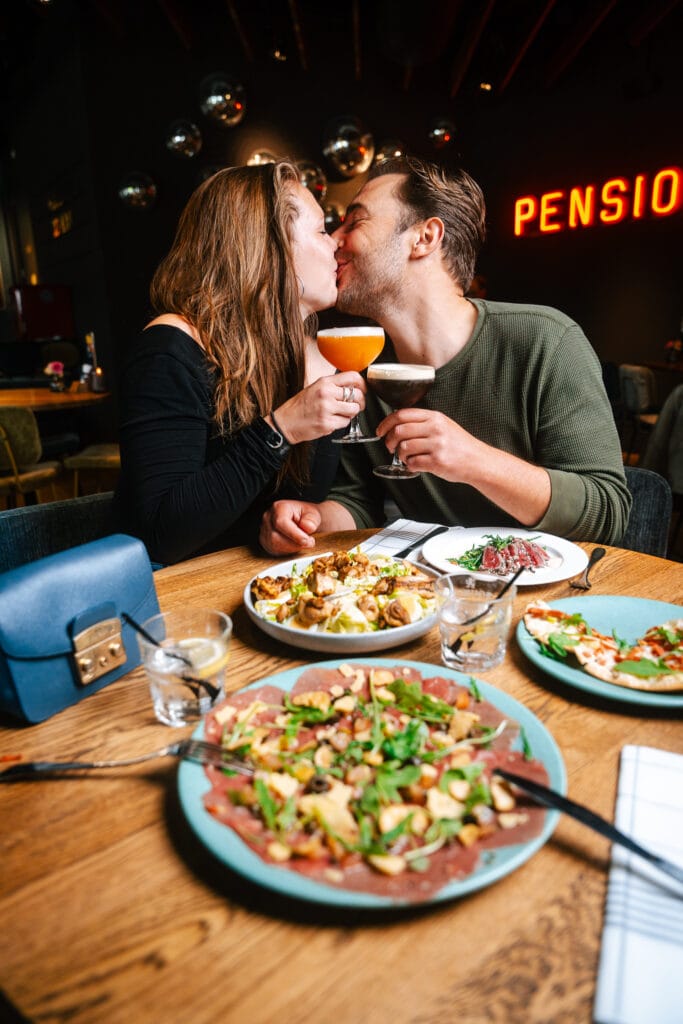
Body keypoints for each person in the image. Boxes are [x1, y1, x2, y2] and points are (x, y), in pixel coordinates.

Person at [259, 155, 631, 555]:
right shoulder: (364, 366)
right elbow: (358, 502)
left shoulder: (545, 339)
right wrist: (311, 518)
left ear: (425, 238)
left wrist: (472, 460)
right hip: (434, 593)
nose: (334, 239)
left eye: (356, 221)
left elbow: (608, 511)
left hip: (547, 597)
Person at [113, 161, 366, 564]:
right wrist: (281, 429)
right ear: (270, 247)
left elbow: (298, 508)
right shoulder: (170, 350)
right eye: (320, 230)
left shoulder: (317, 355)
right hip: (173, 594)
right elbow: (160, 535)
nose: (336, 242)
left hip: (260, 585)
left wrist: (289, 524)